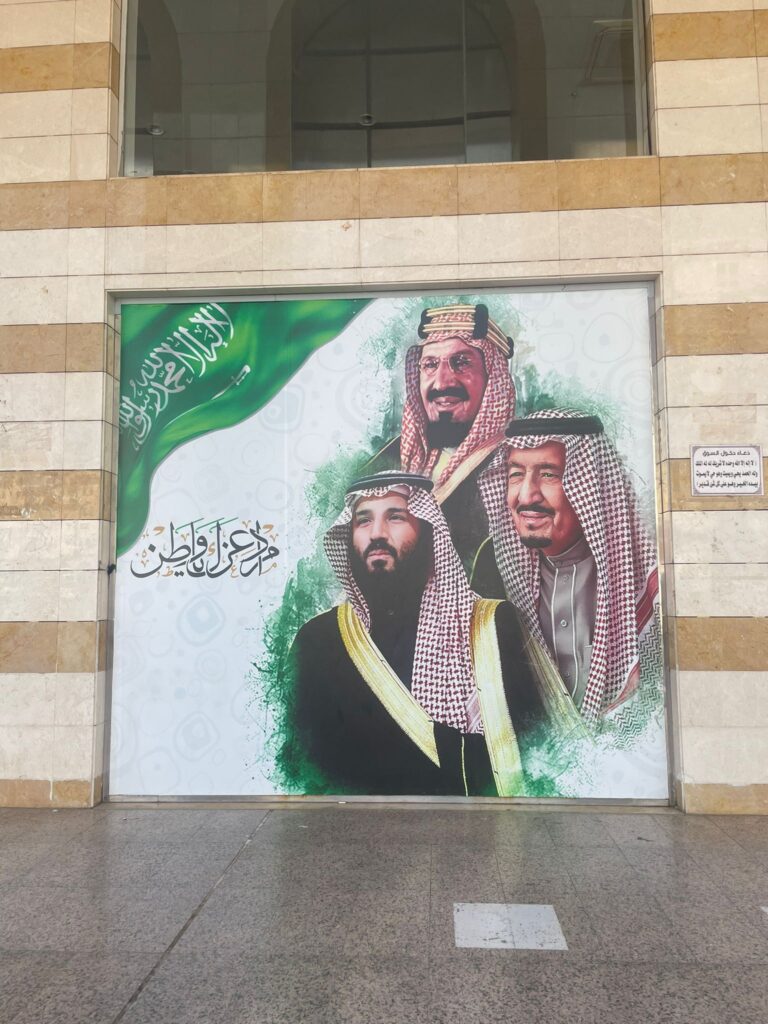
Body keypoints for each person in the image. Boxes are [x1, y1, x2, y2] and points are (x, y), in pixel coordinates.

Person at [288, 470, 583, 797]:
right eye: (363, 521)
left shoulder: (492, 627)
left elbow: (532, 754)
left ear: (428, 531)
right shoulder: (316, 642)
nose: (377, 533)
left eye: (395, 517)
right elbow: (304, 768)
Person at [475, 410, 659, 723]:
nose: (526, 495)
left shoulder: (642, 578)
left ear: (589, 485)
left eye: (549, 475)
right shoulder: (489, 573)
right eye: (515, 474)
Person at [367, 303, 515, 577]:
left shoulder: (513, 469)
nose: (442, 382)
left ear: (492, 377)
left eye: (461, 363)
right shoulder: (387, 461)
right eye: (430, 365)